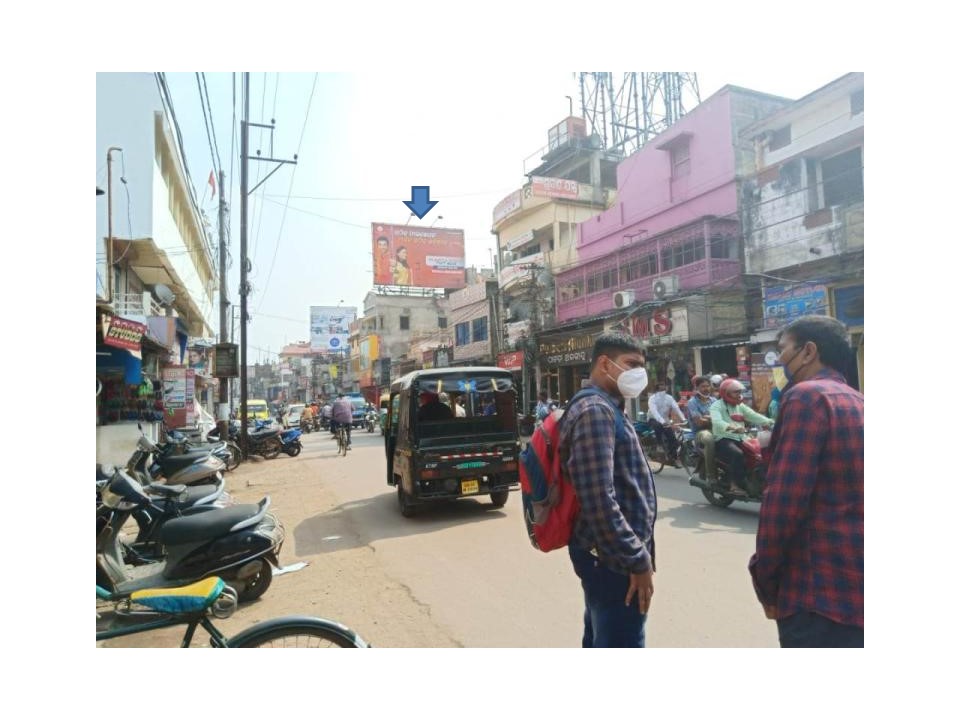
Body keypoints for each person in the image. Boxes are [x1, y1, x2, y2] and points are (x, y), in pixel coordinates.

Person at [748, 316, 863, 647]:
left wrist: (764, 579)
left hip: (816, 595)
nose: (780, 359)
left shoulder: (806, 397)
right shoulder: (857, 400)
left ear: (808, 351)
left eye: (783, 349)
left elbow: (783, 504)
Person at [560, 333, 656, 648]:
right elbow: (598, 500)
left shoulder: (608, 407)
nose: (639, 373)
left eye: (642, 366)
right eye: (632, 364)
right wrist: (636, 558)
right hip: (613, 560)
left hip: (611, 556)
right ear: (605, 364)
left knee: (602, 636)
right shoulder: (595, 411)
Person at [709, 378, 774, 493]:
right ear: (726, 393)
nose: (739, 394)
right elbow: (717, 422)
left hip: (741, 437)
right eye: (736, 392)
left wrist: (771, 422)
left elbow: (754, 415)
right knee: (737, 454)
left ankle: (757, 480)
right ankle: (735, 485)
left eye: (740, 392)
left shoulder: (740, 406)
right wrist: (732, 427)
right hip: (724, 438)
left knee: (758, 454)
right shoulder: (716, 406)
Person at [685, 375, 717, 478]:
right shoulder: (692, 402)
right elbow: (699, 422)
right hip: (701, 433)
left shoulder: (714, 400)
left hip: (716, 429)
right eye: (703, 386)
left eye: (708, 386)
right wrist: (713, 418)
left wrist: (708, 418)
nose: (706, 389)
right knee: (709, 440)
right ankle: (711, 475)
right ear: (697, 388)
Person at [646, 382, 685, 467]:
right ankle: (659, 444)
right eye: (661, 385)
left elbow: (676, 408)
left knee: (672, 438)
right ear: (657, 388)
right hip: (653, 419)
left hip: (665, 420)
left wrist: (683, 418)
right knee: (657, 425)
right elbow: (654, 412)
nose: (663, 387)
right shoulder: (652, 398)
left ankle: (674, 458)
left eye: (664, 385)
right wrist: (662, 421)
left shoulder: (669, 398)